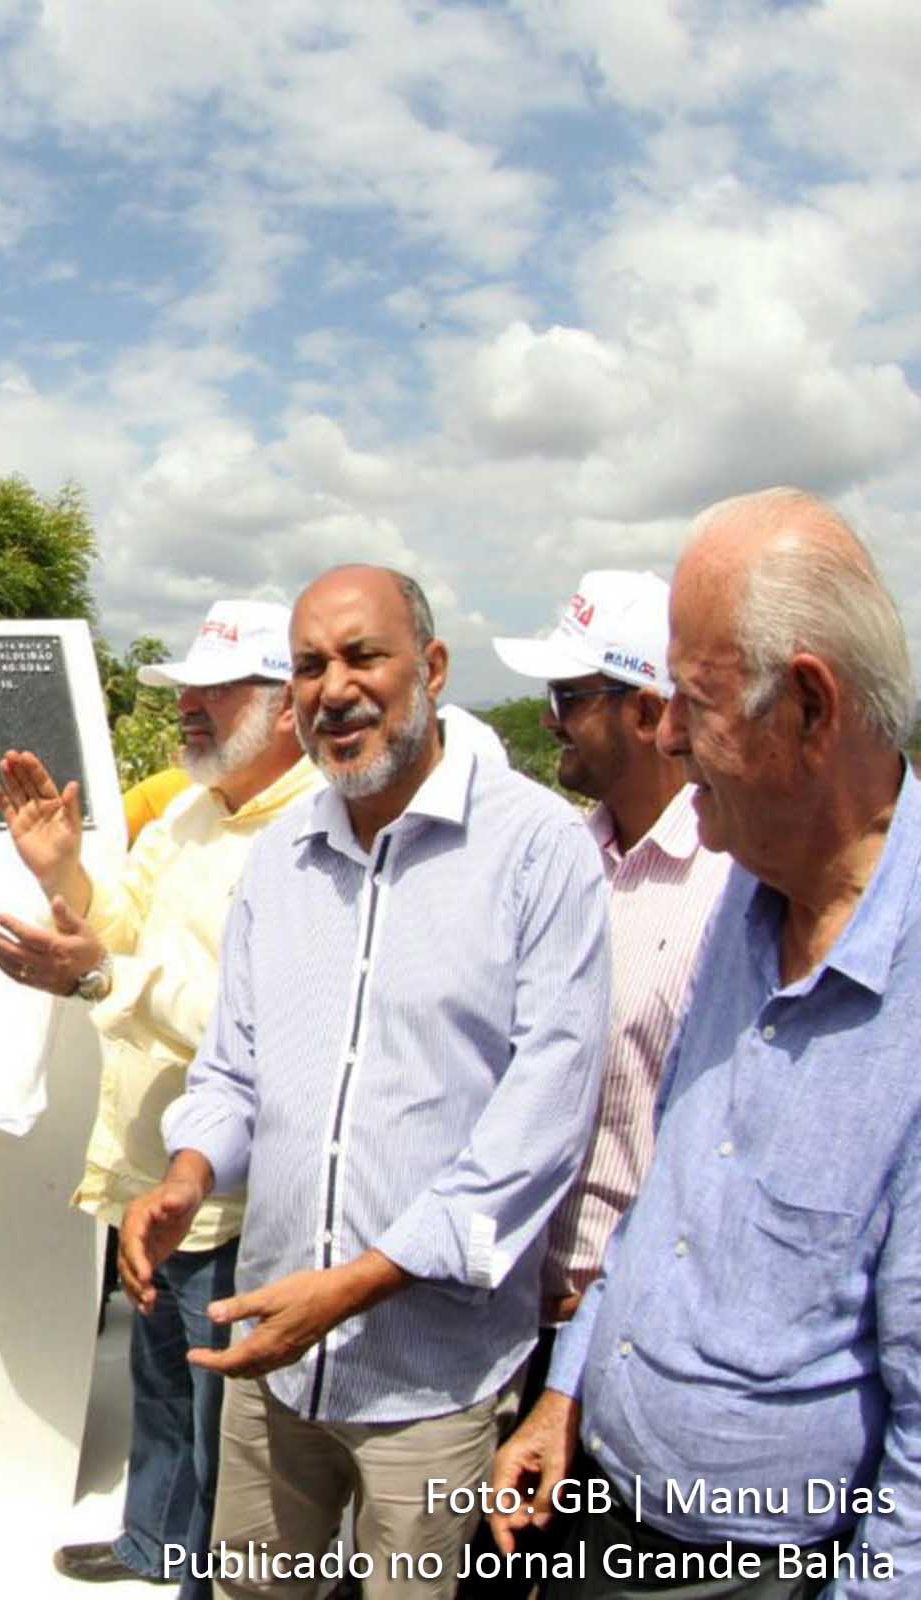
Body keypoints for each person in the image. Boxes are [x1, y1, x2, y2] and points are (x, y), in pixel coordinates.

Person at [125, 565, 610, 1600]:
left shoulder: (537, 849)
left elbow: (542, 1124)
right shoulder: (280, 862)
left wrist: (354, 1287)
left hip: (434, 1379)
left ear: (430, 668)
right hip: (273, 1362)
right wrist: (186, 1175)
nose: (331, 687)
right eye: (306, 666)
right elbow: (233, 1066)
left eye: (361, 655)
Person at [489, 490, 921, 1600]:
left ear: (811, 707)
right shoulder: (751, 889)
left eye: (694, 699)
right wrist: (566, 1396)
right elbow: (665, 1203)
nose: (666, 732)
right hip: (607, 1507)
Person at [0, 600, 318, 1594]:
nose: (192, 711)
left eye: (217, 692)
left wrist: (97, 979)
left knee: (223, 1413)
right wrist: (65, 870)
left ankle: (214, 1570)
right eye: (188, 692)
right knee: (159, 1374)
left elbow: (251, 1024)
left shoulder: (310, 835)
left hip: (232, 1187)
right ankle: (154, 1540)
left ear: (287, 705)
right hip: (154, 1172)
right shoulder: (191, 814)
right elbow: (121, 922)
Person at [450, 571, 730, 1597]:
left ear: (652, 711)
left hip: (621, 1338)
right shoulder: (564, 861)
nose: (550, 721)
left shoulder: (726, 890)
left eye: (571, 699)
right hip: (507, 1313)